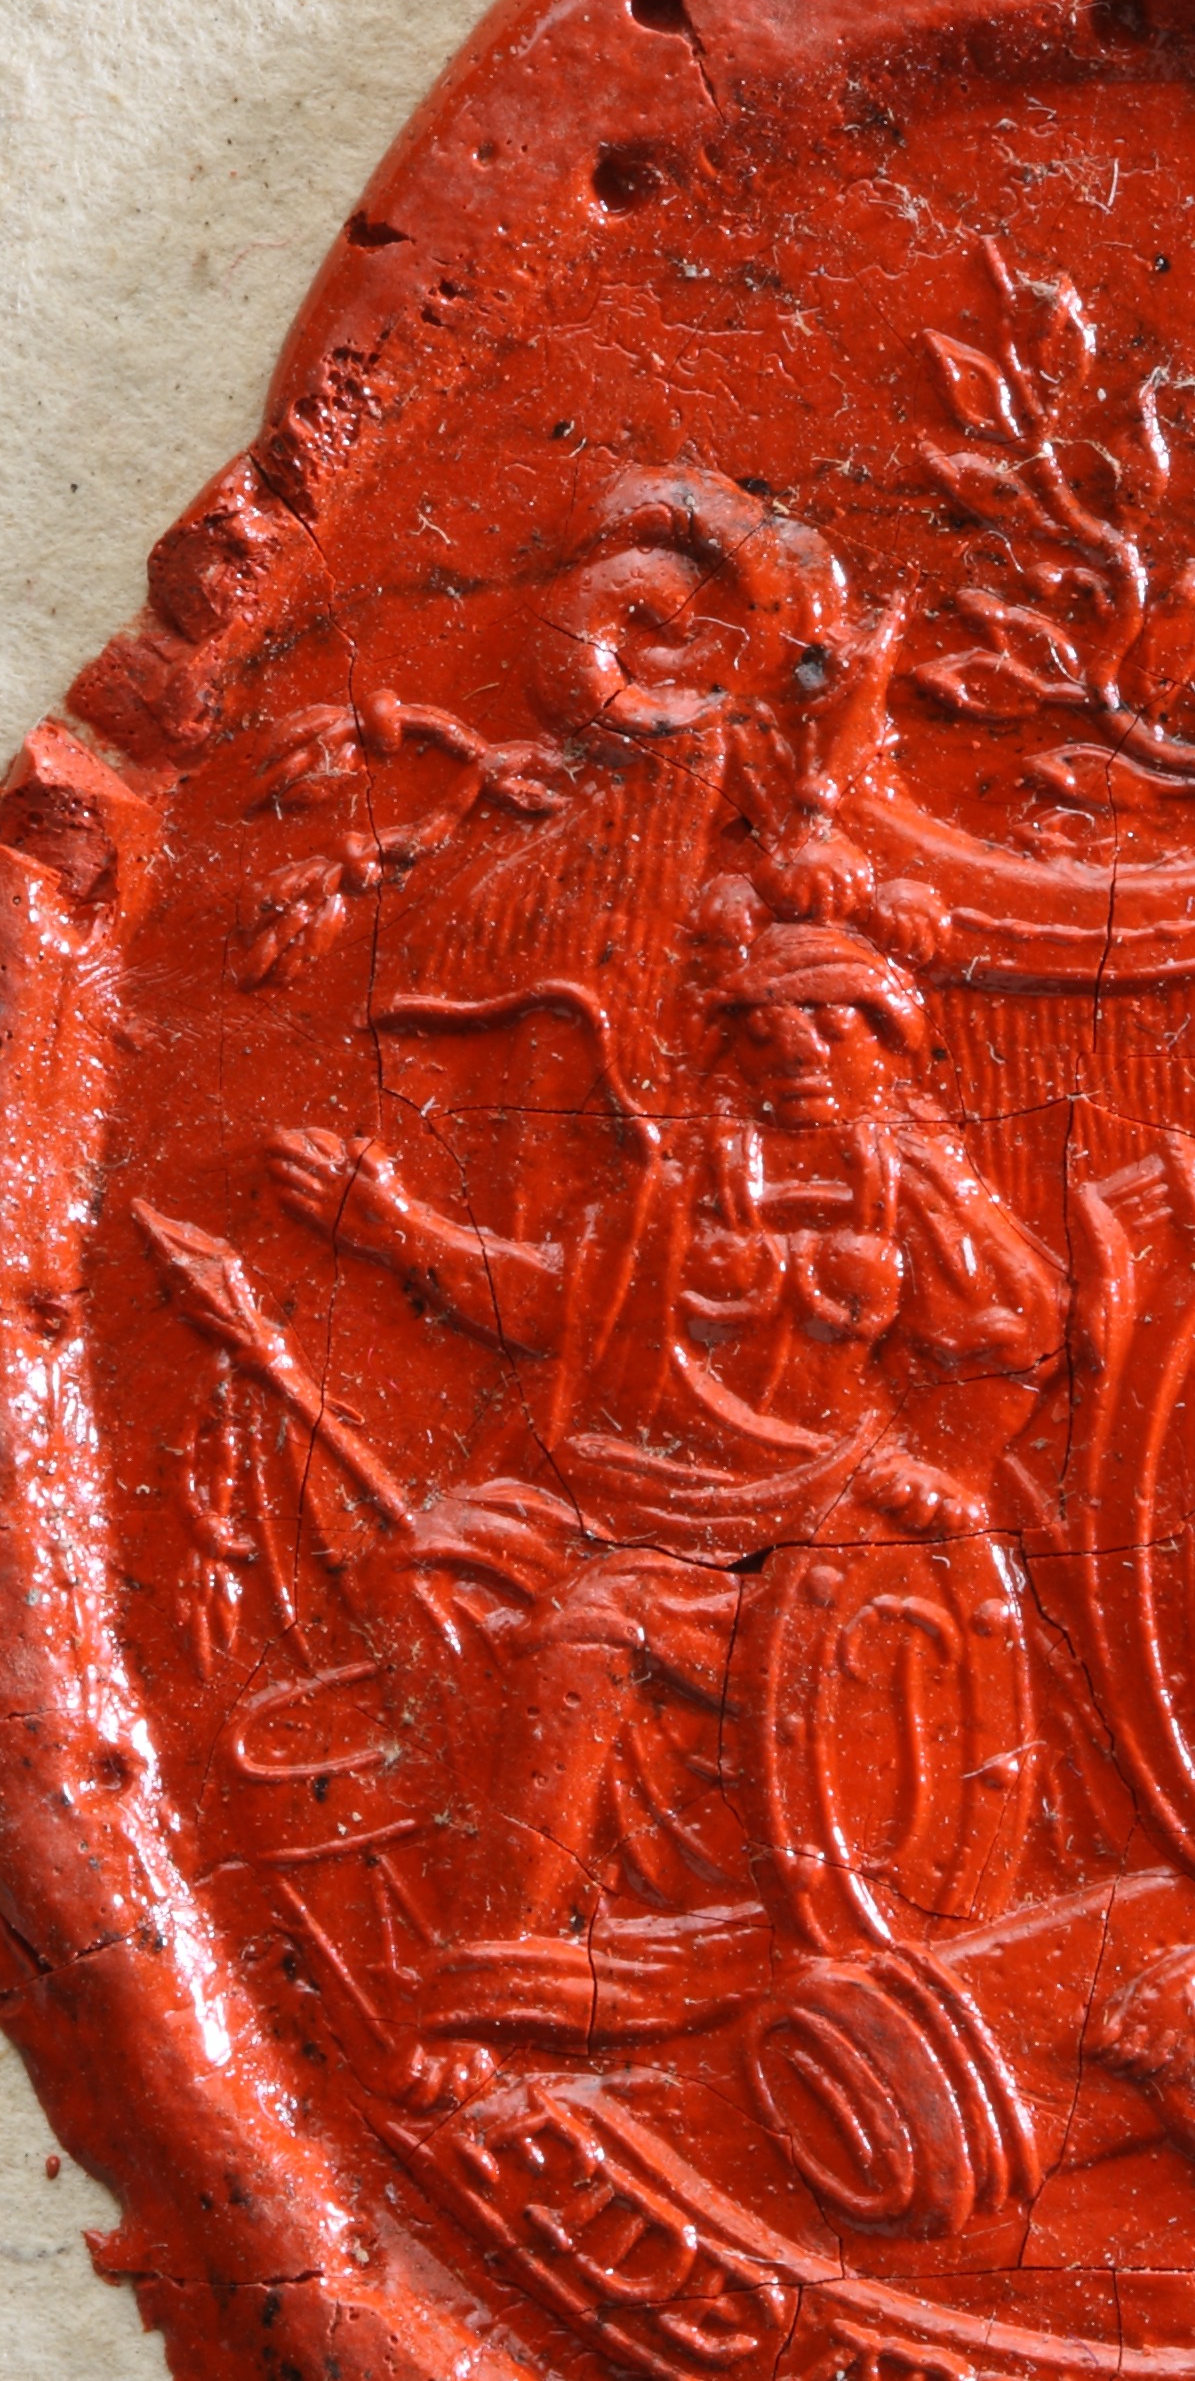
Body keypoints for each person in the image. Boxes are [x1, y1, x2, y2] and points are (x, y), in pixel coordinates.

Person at [263, 825, 1066, 1968]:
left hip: (819, 1535)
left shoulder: (912, 1187)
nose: (796, 1054)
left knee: (595, 1625)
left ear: (887, 1039)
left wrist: (950, 1463)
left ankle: (503, 1952)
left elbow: (1019, 1332)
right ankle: (549, 1845)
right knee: (418, 1573)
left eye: (829, 1026)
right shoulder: (687, 1185)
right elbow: (561, 1302)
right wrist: (399, 1233)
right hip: (632, 1495)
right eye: (767, 1030)